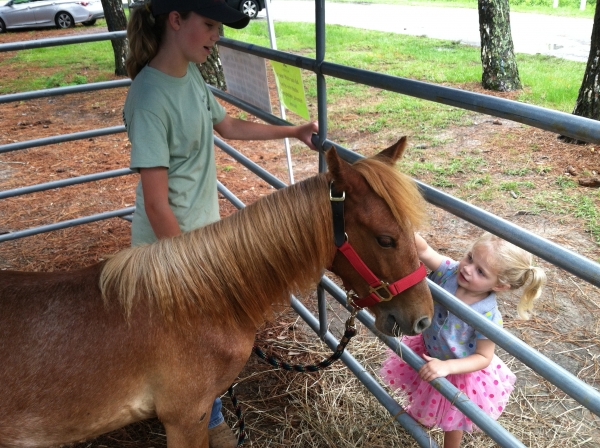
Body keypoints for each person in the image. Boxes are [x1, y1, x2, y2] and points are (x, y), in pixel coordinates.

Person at [122, 1, 318, 446]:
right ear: (176, 20)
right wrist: (194, 268)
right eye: (209, 25)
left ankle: (205, 416)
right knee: (195, 343)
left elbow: (228, 126)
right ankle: (205, 420)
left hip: (201, 238)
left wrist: (292, 131)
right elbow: (156, 205)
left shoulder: (190, 75)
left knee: (203, 340)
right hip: (168, 251)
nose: (216, 36)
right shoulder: (149, 98)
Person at [380, 232, 546, 448]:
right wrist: (403, 229)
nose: (467, 268)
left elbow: (484, 356)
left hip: (459, 372)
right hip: (430, 351)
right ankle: (421, 415)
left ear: (500, 286)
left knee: (454, 416)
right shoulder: (449, 271)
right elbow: (424, 250)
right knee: (422, 387)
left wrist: (448, 366)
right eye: (469, 257)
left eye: (480, 271)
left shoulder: (488, 317)